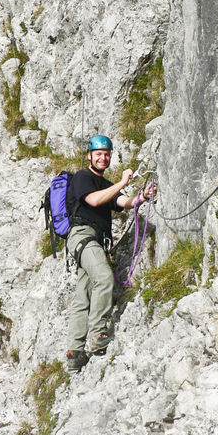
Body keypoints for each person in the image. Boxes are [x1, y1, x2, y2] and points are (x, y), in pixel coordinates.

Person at [65, 135, 157, 371]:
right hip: (83, 236)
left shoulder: (106, 185)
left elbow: (124, 202)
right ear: (89, 156)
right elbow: (94, 200)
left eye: (106, 154)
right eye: (98, 154)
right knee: (104, 278)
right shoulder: (82, 178)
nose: (103, 158)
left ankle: (74, 352)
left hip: (94, 242)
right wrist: (122, 182)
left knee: (83, 295)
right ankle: (98, 334)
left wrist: (142, 197)